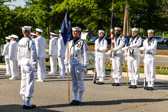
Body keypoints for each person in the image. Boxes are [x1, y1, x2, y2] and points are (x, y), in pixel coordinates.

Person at [66, 27, 89, 105]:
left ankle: (79, 98)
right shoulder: (70, 42)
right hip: (71, 63)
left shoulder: (82, 43)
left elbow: (85, 54)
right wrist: (67, 63)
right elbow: (67, 53)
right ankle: (75, 97)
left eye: (76, 32)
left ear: (79, 33)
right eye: (73, 32)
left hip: (79, 64)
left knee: (80, 81)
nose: (75, 33)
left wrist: (85, 65)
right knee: (73, 81)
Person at [18, 26, 37, 109]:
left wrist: (19, 62)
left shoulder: (20, 41)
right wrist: (34, 64)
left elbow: (18, 53)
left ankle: (24, 101)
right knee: (29, 83)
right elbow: (33, 54)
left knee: (23, 81)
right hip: (29, 62)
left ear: (23, 32)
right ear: (29, 32)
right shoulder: (30, 41)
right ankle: (27, 103)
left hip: (22, 62)